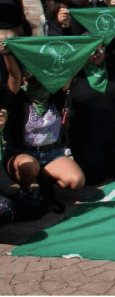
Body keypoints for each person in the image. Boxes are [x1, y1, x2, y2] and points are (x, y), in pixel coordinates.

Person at [2, 39, 85, 212]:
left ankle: (45, 179)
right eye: (30, 76)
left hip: (51, 152)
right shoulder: (17, 97)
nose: (34, 80)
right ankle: (26, 192)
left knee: (76, 181)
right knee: (30, 165)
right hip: (22, 153)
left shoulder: (55, 95)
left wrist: (86, 48)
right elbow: (13, 77)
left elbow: (69, 72)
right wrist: (8, 53)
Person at [65, 15, 115, 185]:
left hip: (112, 134)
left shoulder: (112, 67)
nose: (97, 55)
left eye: (100, 50)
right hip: (85, 138)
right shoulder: (74, 71)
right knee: (95, 177)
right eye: (91, 51)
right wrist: (69, 19)